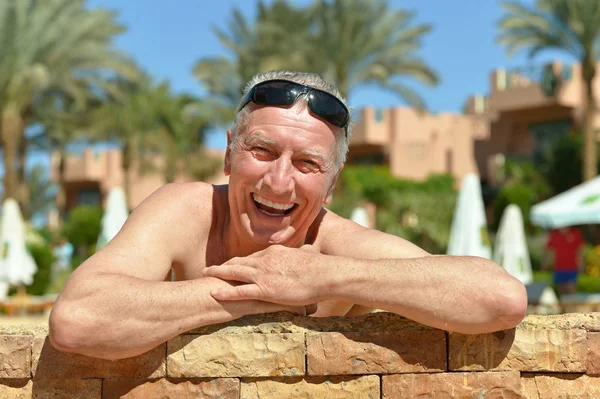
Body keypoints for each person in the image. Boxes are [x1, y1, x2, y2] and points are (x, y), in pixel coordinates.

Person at [48, 71, 527, 360]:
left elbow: (500, 298)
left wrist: (321, 276)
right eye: (262, 150)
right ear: (230, 155)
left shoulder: (336, 245)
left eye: (307, 164)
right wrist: (264, 292)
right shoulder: (186, 209)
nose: (278, 182)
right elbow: (77, 319)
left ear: (332, 183)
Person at [543, 226, 585, 296]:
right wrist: (545, 263)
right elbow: (548, 250)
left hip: (571, 267)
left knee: (571, 289)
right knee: (561, 291)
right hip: (558, 268)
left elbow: (580, 250)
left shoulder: (575, 233)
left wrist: (581, 263)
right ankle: (564, 307)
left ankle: (572, 306)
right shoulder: (554, 234)